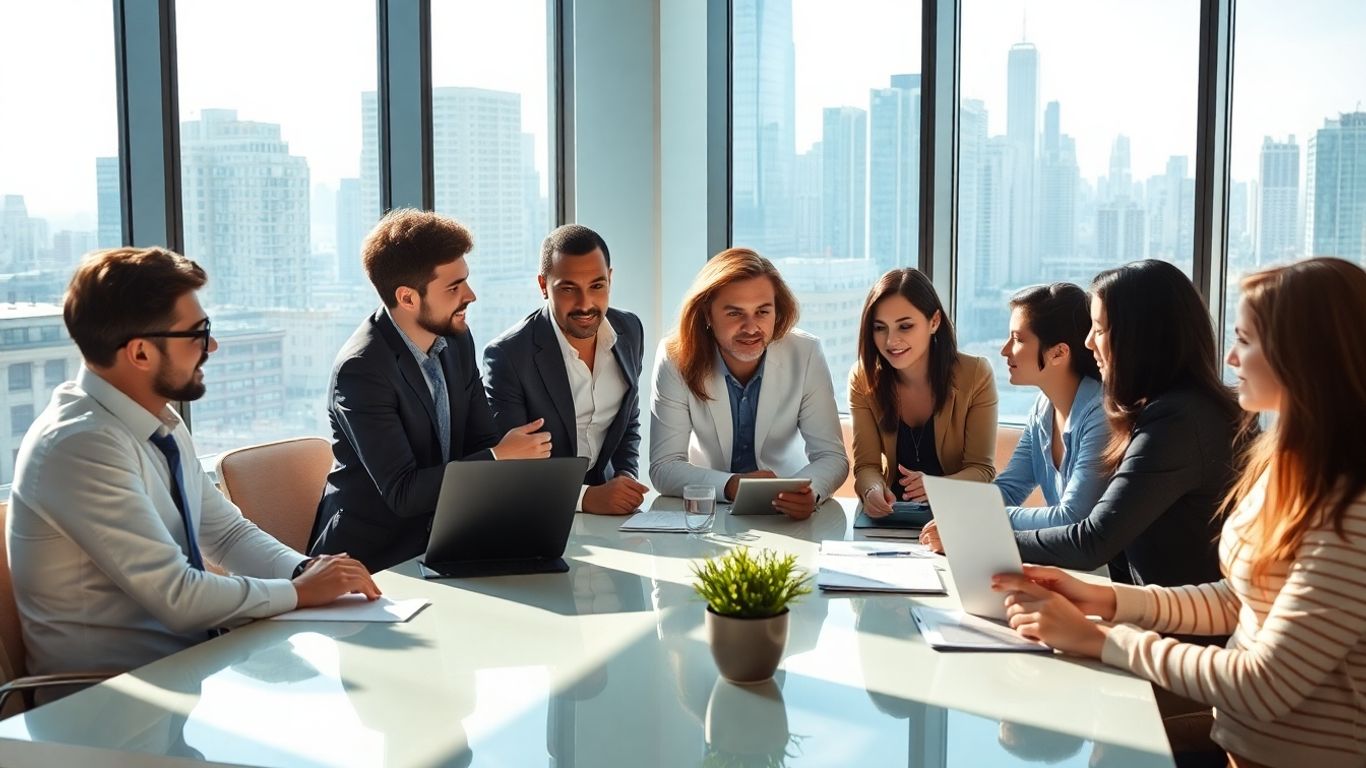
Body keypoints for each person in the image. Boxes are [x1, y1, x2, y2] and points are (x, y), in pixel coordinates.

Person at [994, 257, 1366, 768]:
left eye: (1246, 341)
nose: (1230, 357)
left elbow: (1266, 684)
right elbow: (1240, 598)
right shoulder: (1285, 463)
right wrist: (1107, 599)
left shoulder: (1352, 510)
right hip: (1238, 740)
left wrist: (1099, 638)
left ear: (1306, 355)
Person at [7, 247, 379, 697]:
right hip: (111, 701)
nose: (212, 347)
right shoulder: (79, 445)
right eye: (198, 334)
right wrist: (301, 592)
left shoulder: (157, 420)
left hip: (191, 670)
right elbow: (178, 596)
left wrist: (310, 570)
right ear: (140, 352)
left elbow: (227, 535)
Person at [312, 209, 551, 572]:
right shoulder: (362, 370)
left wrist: (505, 458)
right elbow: (404, 493)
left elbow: (481, 440)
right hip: (370, 561)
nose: (470, 295)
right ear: (408, 298)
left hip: (445, 541)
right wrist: (499, 456)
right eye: (454, 288)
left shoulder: (456, 339)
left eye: (465, 281)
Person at [987, 260, 1247, 587]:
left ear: (1137, 336)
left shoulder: (1175, 422)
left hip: (1177, 613)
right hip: (1146, 602)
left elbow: (1091, 540)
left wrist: (985, 533)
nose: (1087, 343)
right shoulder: (1167, 410)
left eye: (1098, 330)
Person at [649, 247, 848, 518]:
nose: (751, 327)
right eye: (735, 313)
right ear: (707, 313)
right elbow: (664, 467)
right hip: (708, 509)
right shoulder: (675, 357)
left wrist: (809, 492)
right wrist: (732, 485)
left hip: (784, 509)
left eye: (762, 312)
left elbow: (832, 457)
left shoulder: (806, 353)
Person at [920, 284, 1107, 551]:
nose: (1005, 350)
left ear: (1058, 353)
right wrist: (952, 513)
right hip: (1063, 557)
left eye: (1018, 339)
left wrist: (978, 520)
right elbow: (1009, 490)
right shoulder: (1043, 409)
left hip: (1098, 566)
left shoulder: (1100, 414)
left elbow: (1073, 517)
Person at [484, 224, 649, 515]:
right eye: (568, 289)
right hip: (537, 513)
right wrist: (585, 498)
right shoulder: (508, 356)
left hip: (610, 512)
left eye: (597, 286)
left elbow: (627, 421)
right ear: (543, 286)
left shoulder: (630, 330)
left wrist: (625, 478)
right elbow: (510, 467)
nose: (585, 304)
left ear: (610, 279)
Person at [850, 268, 998, 516]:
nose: (890, 341)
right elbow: (867, 466)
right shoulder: (863, 378)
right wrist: (871, 490)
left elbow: (982, 470)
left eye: (905, 326)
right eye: (880, 328)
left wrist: (937, 487)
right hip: (892, 513)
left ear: (934, 322)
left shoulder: (975, 374)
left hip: (956, 514)